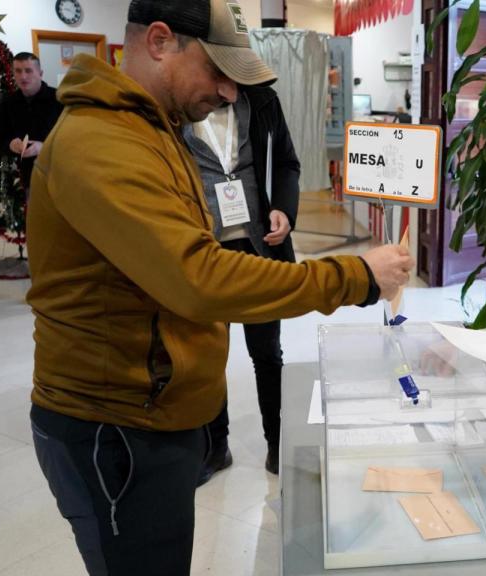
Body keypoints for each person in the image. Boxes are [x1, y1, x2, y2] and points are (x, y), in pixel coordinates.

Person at [24, 1, 413, 574]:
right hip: (117, 428)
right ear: (160, 41)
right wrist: (354, 276)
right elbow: (198, 276)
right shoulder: (102, 142)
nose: (231, 95)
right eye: (219, 72)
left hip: (154, 413)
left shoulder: (154, 131)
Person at [183, 79, 300, 481]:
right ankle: (216, 445)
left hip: (260, 247)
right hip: (203, 252)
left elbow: (286, 162)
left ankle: (275, 442)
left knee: (267, 352)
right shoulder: (179, 105)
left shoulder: (264, 101)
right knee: (207, 354)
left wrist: (284, 208)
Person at [0, 52, 63, 190]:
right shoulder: (8, 103)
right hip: (24, 179)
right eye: (18, 71)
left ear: (40, 73)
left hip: (58, 175)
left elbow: (72, 140)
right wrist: (11, 144)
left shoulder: (59, 99)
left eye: (28, 70)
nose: (23, 76)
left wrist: (43, 147)